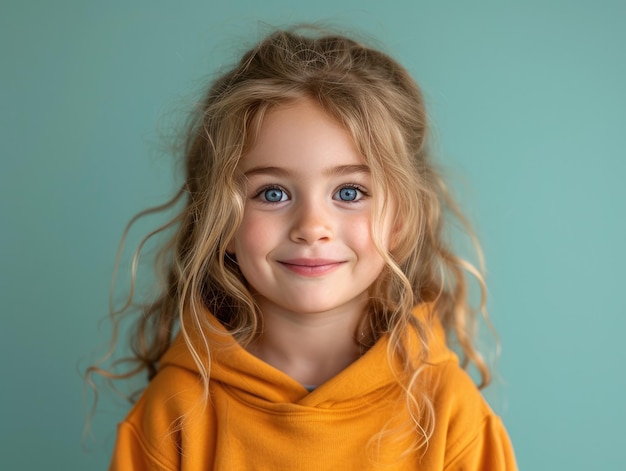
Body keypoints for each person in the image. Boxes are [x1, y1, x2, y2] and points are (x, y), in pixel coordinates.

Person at [94, 26, 517, 470]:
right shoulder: (173, 415)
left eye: (350, 193)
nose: (312, 227)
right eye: (273, 193)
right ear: (221, 222)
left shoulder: (451, 415)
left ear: (401, 219)